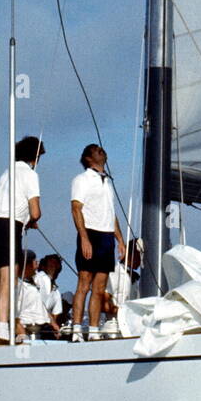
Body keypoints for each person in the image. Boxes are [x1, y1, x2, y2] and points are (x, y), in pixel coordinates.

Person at [0, 136, 45, 346]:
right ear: (34, 157)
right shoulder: (30, 174)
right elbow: (36, 211)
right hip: (12, 225)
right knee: (8, 280)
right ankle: (2, 330)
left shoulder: (6, 172)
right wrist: (30, 221)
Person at [70, 144, 125, 342]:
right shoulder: (82, 179)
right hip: (91, 233)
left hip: (106, 236)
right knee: (84, 283)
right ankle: (77, 328)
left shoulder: (107, 182)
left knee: (99, 288)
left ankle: (93, 329)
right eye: (95, 149)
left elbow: (111, 213)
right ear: (87, 158)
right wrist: (84, 237)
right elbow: (76, 208)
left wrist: (120, 240)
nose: (100, 150)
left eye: (101, 149)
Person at [101, 239, 142, 337]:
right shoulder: (115, 272)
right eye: (141, 256)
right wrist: (124, 312)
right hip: (114, 329)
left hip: (133, 329)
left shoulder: (137, 280)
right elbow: (103, 305)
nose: (142, 261)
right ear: (134, 254)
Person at [15, 250, 59, 340]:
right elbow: (11, 312)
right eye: (35, 262)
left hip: (40, 329)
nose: (37, 266)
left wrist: (52, 322)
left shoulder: (36, 283)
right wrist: (21, 333)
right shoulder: (17, 286)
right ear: (27, 265)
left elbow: (41, 305)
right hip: (24, 329)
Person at [34, 254, 63, 324]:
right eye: (51, 266)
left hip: (43, 327)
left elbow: (55, 315)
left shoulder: (56, 292)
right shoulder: (37, 278)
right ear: (43, 267)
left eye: (57, 267)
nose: (54, 269)